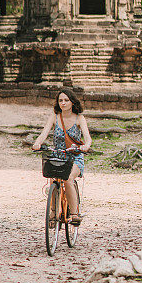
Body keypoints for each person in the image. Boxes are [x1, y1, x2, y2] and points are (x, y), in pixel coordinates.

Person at [32, 88, 92, 224]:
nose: (63, 103)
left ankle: (75, 214)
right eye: (60, 101)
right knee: (53, 181)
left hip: (75, 156)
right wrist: (37, 143)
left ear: (72, 102)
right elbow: (44, 133)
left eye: (66, 100)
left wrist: (86, 146)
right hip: (58, 155)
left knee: (68, 179)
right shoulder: (54, 117)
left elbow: (88, 138)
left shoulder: (79, 118)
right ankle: (53, 213)